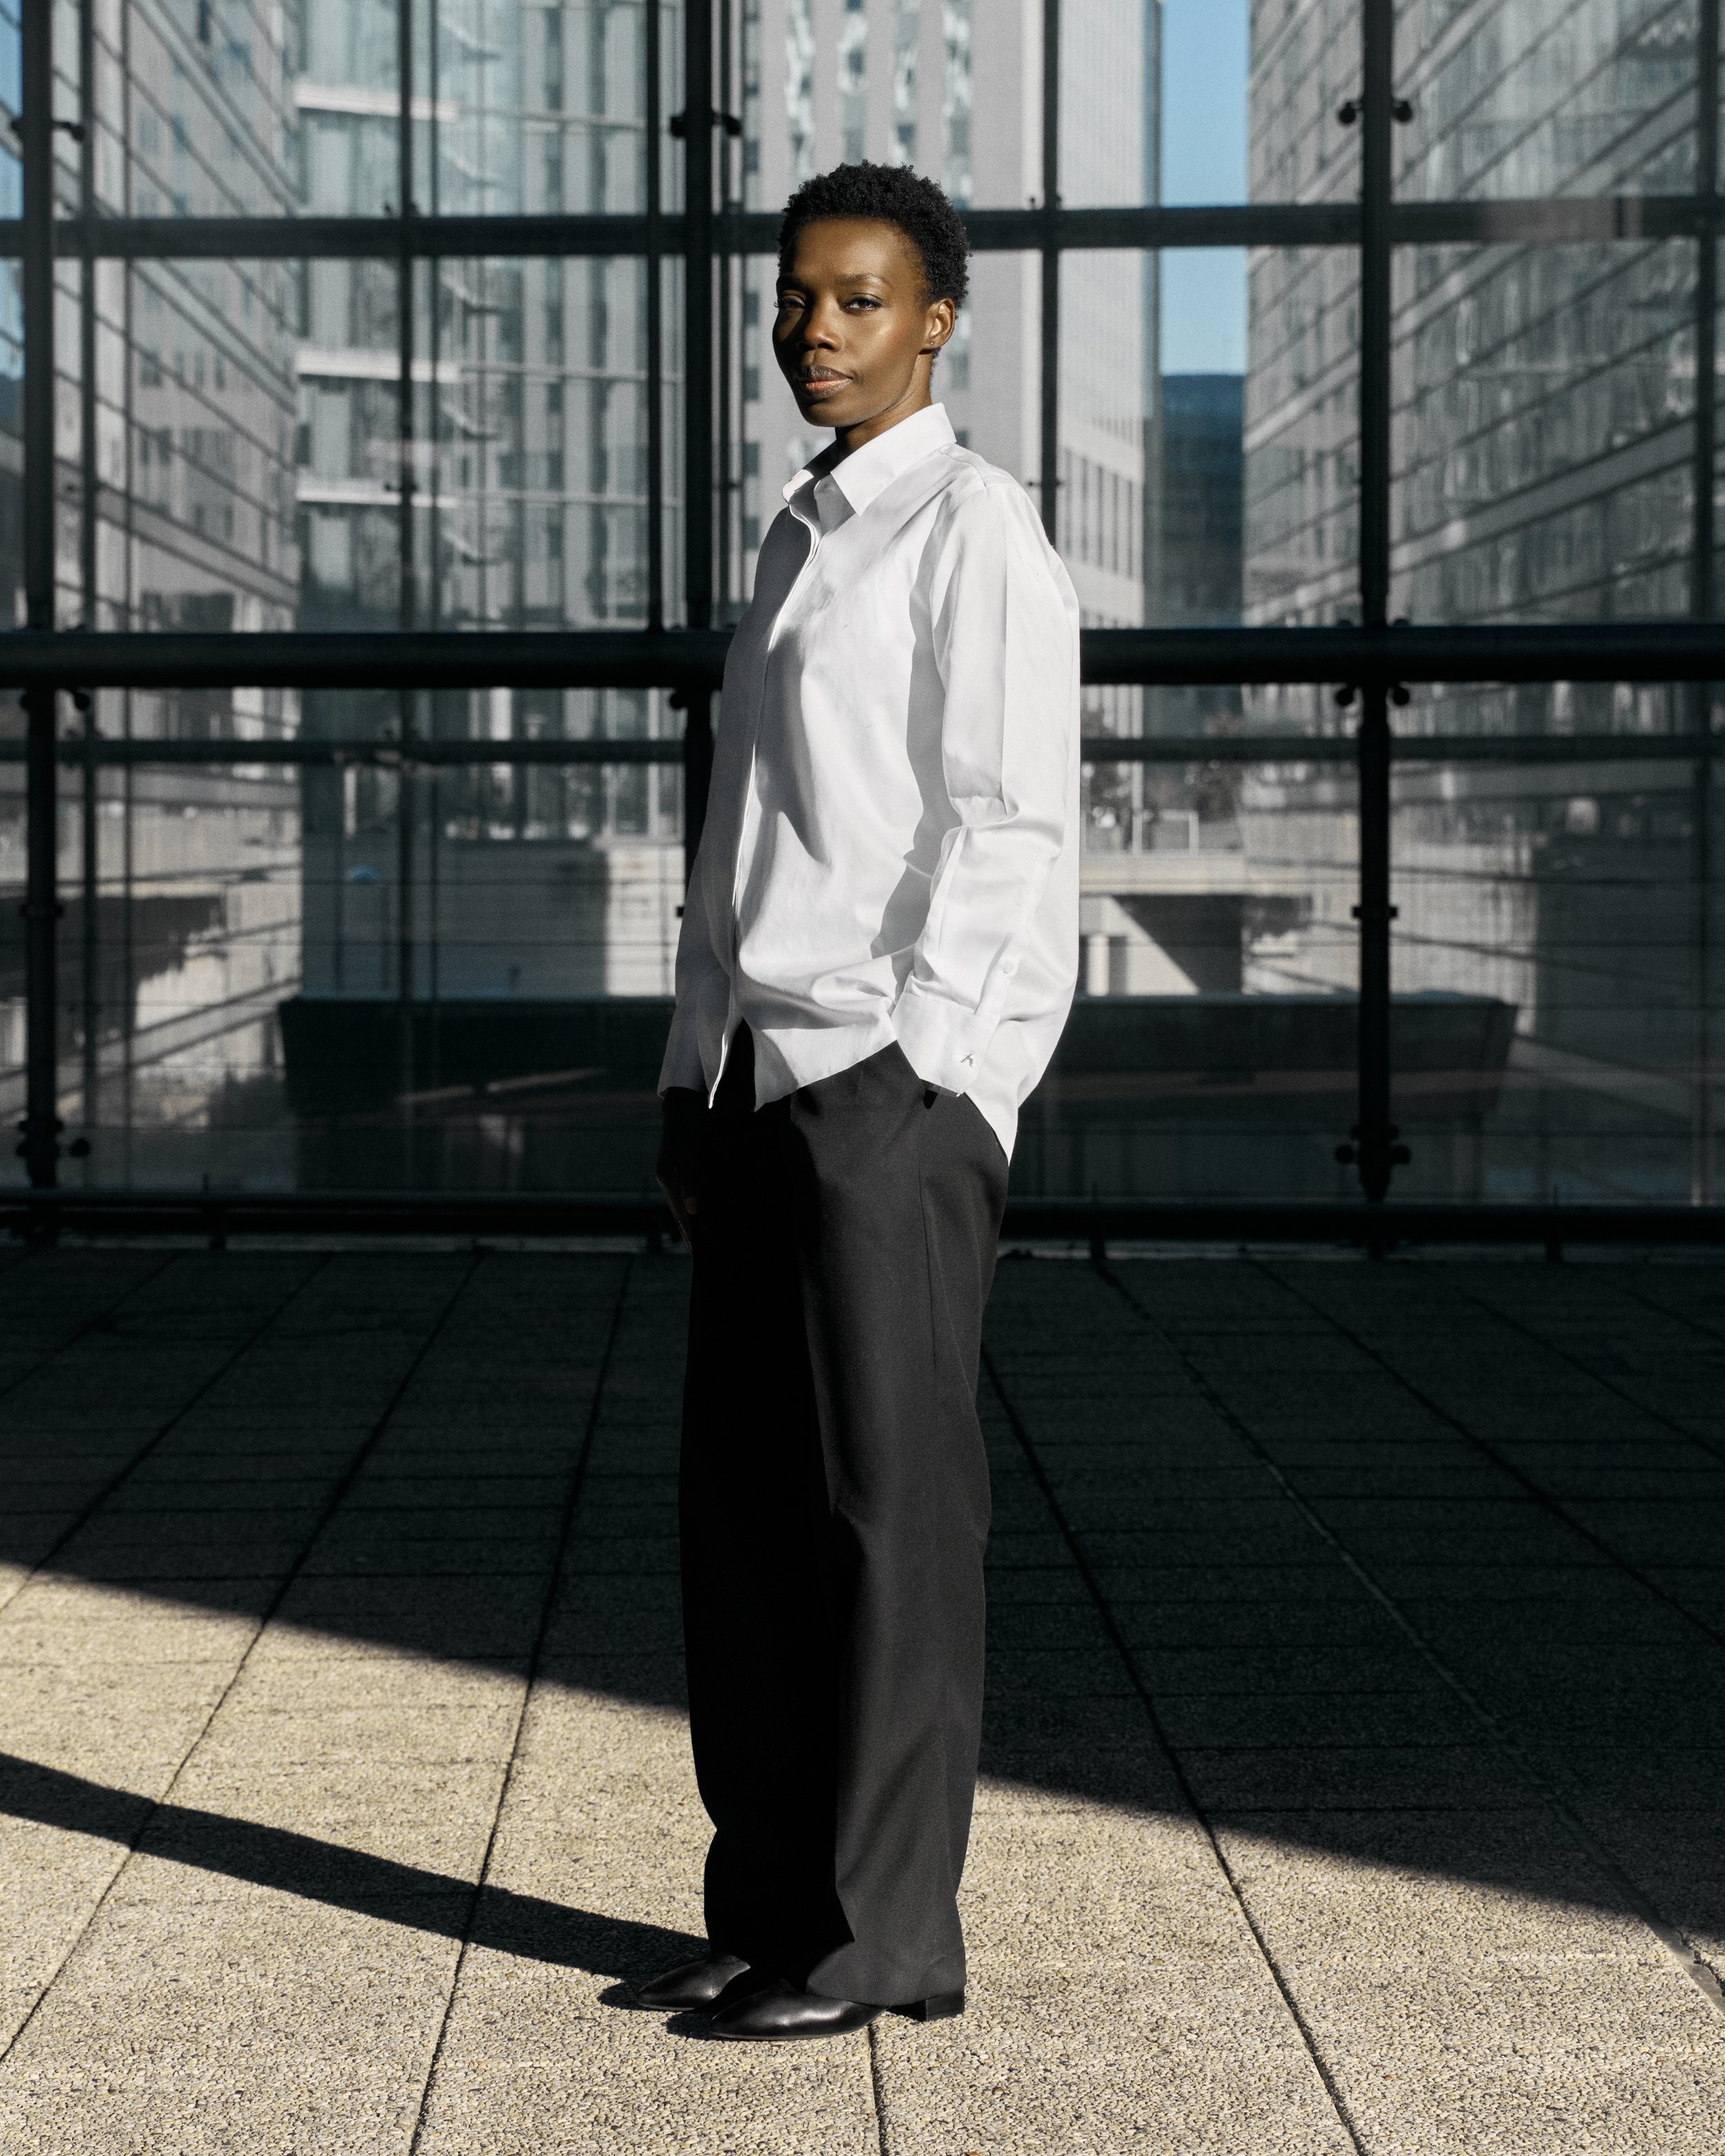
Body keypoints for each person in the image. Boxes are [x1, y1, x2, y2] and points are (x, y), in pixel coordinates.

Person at [636, 160, 1081, 2044]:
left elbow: (1006, 831)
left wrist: (929, 1084)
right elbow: (746, 839)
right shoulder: (796, 536)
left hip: (876, 1097)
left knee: (887, 1519)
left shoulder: (975, 533)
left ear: (937, 319)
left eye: (861, 299)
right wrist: (685, 1063)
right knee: (740, 1519)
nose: (816, 329)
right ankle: (772, 1911)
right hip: (753, 1083)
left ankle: (887, 1941)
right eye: (797, 299)